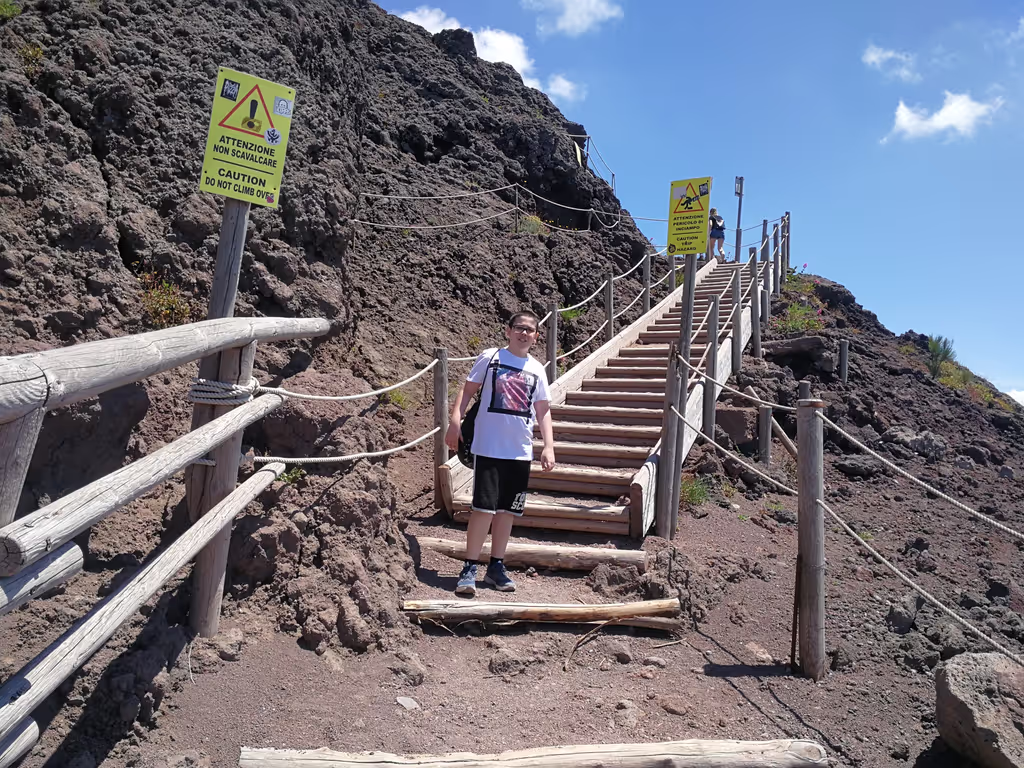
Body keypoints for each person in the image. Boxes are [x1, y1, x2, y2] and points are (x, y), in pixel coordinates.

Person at [444, 311, 556, 596]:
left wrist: (549, 446)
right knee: (483, 509)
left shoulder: (537, 369)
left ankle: (496, 566)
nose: (524, 333)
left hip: (519, 450)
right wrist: (454, 422)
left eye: (530, 330)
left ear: (536, 336)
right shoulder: (491, 357)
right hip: (488, 446)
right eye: (519, 328)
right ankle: (470, 567)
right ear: (508, 331)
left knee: (507, 512)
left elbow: (542, 410)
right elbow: (467, 391)